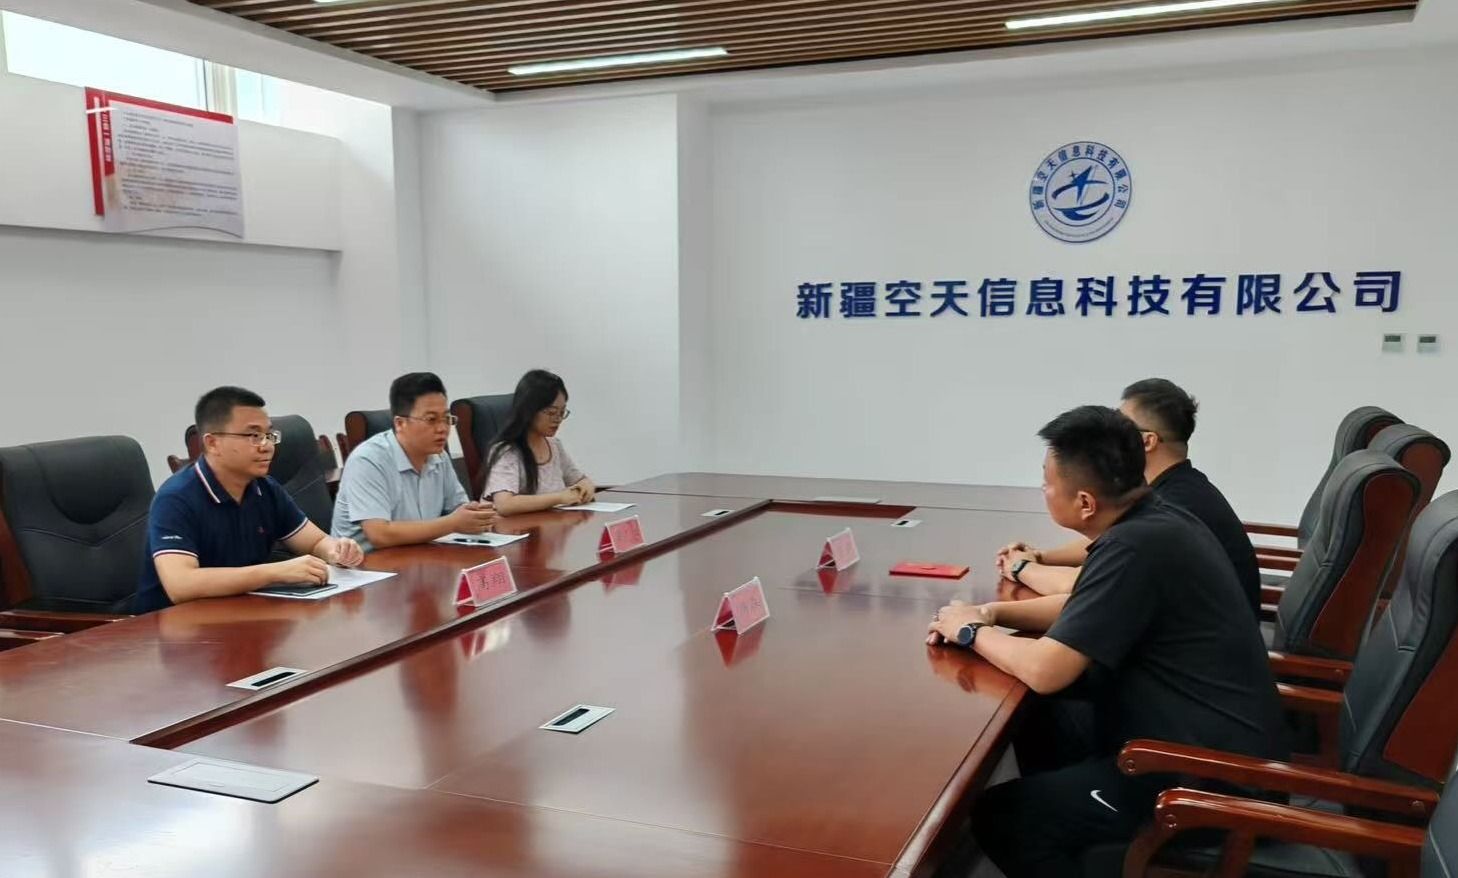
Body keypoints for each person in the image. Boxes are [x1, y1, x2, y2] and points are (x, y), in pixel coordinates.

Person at [927, 405, 1287, 877]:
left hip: (1206, 780)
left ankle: (1078, 829)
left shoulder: (1135, 545)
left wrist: (972, 633)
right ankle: (1084, 833)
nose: (1042, 490)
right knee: (1042, 716)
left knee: (1006, 815)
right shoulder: (1156, 521)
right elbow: (1085, 604)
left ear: (1085, 503)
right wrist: (990, 612)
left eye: (1046, 482)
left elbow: (1046, 669)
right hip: (1197, 743)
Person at [997, 378, 1261, 617]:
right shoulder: (1171, 489)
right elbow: (1107, 544)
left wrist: (1021, 569)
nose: (1110, 431)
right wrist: (1041, 557)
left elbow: (1086, 585)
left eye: (1122, 425)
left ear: (1147, 441)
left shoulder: (1175, 506)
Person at [133, 387, 364, 613]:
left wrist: (336, 551)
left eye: (269, 435)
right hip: (173, 625)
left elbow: (315, 542)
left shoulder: (265, 488)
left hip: (240, 611)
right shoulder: (176, 498)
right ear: (212, 443)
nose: (267, 446)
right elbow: (181, 584)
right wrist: (276, 572)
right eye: (254, 436)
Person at [331, 372, 496, 552]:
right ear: (400, 423)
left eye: (446, 419)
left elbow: (457, 508)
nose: (442, 429)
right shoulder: (368, 460)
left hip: (419, 555)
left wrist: (476, 516)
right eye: (431, 419)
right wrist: (453, 523)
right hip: (367, 563)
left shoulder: (439, 457)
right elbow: (379, 534)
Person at [482, 369, 595, 516]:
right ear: (529, 410)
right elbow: (504, 504)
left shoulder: (554, 445)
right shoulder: (507, 451)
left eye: (562, 412)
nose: (558, 419)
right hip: (518, 528)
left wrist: (585, 487)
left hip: (551, 525)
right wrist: (559, 498)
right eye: (551, 412)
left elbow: (580, 480)